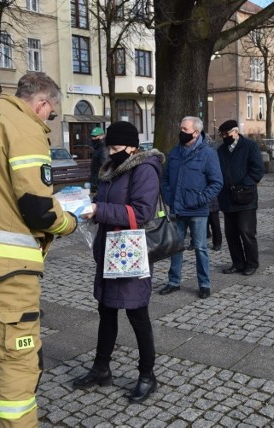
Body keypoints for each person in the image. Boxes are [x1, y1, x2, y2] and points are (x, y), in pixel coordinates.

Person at [0, 72, 78, 427]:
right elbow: (39, 209)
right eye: (50, 115)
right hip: (6, 270)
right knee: (17, 363)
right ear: (42, 104)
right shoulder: (22, 127)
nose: (47, 120)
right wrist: (71, 222)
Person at [72, 121, 164, 403]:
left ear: (133, 146)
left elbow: (141, 213)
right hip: (108, 250)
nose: (111, 152)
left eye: (116, 147)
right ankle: (101, 369)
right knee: (106, 311)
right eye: (109, 147)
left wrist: (99, 210)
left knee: (138, 315)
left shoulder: (144, 170)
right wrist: (85, 203)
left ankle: (148, 376)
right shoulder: (111, 170)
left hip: (130, 252)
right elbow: (105, 201)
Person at [159, 116, 223, 299]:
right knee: (176, 247)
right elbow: (165, 178)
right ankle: (174, 281)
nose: (181, 132)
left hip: (198, 211)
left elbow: (217, 182)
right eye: (181, 128)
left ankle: (204, 284)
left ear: (196, 132)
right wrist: (169, 197)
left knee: (201, 248)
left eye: (185, 129)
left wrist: (201, 199)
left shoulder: (208, 154)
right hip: (178, 209)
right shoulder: (175, 152)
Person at [215, 120, 264, 276]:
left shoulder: (250, 146)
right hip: (227, 198)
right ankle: (238, 263)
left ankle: (252, 263)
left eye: (227, 134)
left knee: (246, 231)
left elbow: (257, 170)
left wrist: (243, 186)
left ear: (235, 132)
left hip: (245, 197)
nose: (224, 137)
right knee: (231, 234)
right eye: (222, 134)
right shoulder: (221, 150)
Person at [89, 127, 107, 192]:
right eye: (92, 136)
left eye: (95, 136)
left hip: (100, 185)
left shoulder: (103, 149)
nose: (93, 138)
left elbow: (105, 167)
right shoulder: (97, 148)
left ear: (102, 136)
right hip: (95, 183)